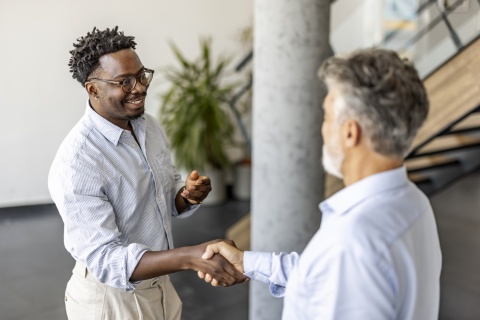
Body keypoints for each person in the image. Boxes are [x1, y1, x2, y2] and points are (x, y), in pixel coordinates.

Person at [199, 48, 442, 319]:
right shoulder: (414, 202)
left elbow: (340, 270)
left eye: (326, 116)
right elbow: (325, 277)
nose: (322, 127)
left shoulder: (352, 242)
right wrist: (247, 262)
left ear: (350, 132)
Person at [48, 26, 247, 320]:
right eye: (124, 82)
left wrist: (186, 197)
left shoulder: (148, 126)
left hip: (160, 286)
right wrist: (190, 258)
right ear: (93, 89)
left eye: (142, 75)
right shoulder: (77, 162)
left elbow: (161, 198)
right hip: (111, 301)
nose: (139, 87)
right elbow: (106, 259)